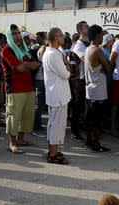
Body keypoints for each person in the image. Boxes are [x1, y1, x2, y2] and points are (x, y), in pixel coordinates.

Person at [1, 24, 40, 154]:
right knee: (13, 116)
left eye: (18, 33)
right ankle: (12, 143)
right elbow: (20, 68)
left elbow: (35, 65)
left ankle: (21, 139)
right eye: (14, 33)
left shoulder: (24, 49)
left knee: (26, 116)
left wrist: (25, 65)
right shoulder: (6, 50)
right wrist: (27, 65)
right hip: (15, 89)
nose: (17, 36)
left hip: (29, 87)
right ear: (9, 36)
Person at [42, 27, 71, 165]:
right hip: (58, 95)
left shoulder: (53, 52)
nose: (63, 37)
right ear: (55, 38)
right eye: (61, 35)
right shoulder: (53, 54)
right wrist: (65, 61)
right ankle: (53, 154)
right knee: (57, 125)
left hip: (56, 94)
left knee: (53, 124)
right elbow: (66, 74)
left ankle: (53, 151)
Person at [84, 25, 111, 152]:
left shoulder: (87, 49)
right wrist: (106, 67)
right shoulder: (97, 51)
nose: (102, 38)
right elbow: (108, 69)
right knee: (97, 119)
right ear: (97, 36)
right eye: (101, 35)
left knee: (90, 117)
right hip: (98, 88)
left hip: (90, 88)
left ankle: (89, 141)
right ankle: (96, 143)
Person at [70, 21, 90, 142]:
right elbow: (86, 59)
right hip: (79, 80)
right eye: (86, 27)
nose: (88, 28)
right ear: (80, 31)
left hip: (87, 80)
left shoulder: (88, 44)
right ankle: (74, 132)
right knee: (77, 107)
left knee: (84, 106)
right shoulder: (79, 45)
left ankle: (84, 128)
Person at [32, 32, 47, 137]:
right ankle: (36, 126)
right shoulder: (42, 47)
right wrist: (44, 62)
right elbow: (41, 54)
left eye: (38, 37)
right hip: (40, 79)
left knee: (40, 104)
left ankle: (38, 124)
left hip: (42, 79)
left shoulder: (43, 46)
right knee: (38, 103)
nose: (36, 39)